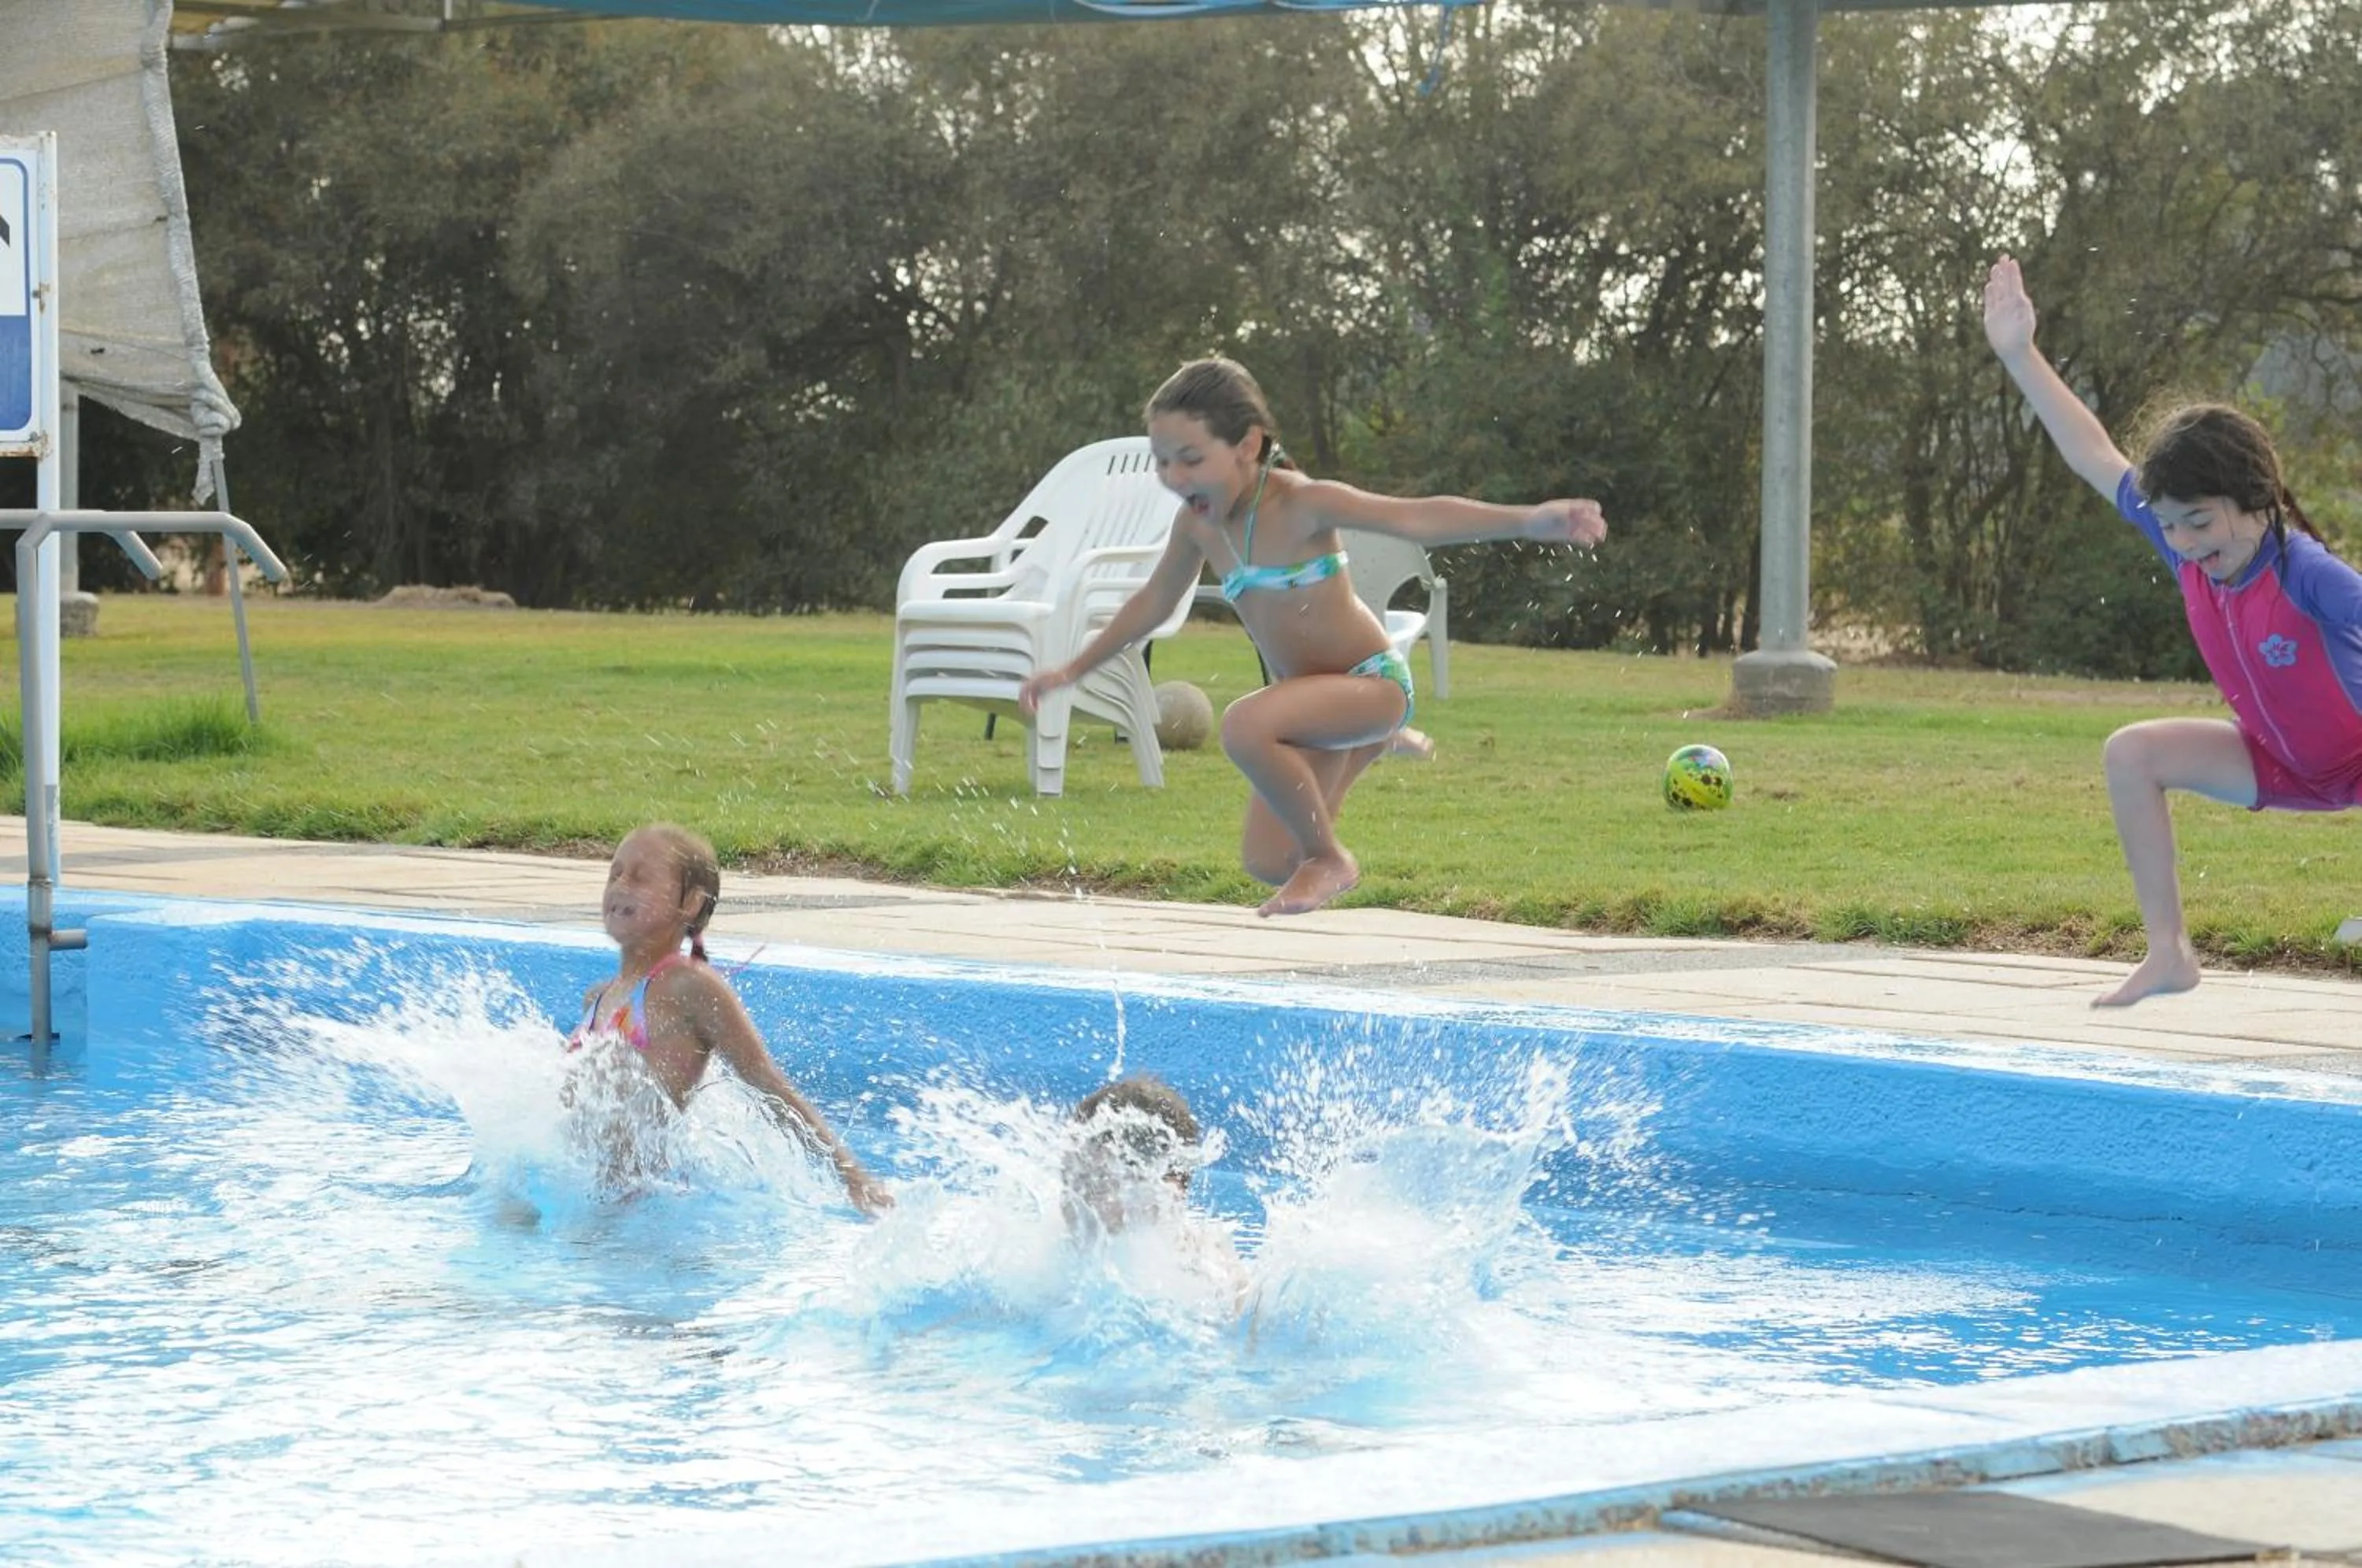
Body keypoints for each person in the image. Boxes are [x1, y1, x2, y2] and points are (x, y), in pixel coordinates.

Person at [1017, 358, 1606, 917]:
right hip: (1313, 705)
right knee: (1269, 860)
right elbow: (1153, 602)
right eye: (1163, 461)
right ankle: (1368, 750)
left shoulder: (1302, 503)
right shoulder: (1198, 526)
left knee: (1246, 725)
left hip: (1370, 683)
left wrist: (1531, 520)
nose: (1175, 478)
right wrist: (1072, 668)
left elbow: (1415, 517)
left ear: (1247, 445)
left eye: (1191, 459)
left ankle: (1332, 855)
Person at [1983, 255, 2362, 1007]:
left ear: (2255, 505)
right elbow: (2093, 453)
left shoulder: (2308, 574)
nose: (2185, 542)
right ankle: (2170, 952)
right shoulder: (2187, 554)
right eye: (2168, 525)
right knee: (2132, 753)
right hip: (2278, 762)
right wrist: (2019, 354)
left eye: (2199, 522)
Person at [565, 822, 892, 1210]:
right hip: (585, 1191)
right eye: (615, 873)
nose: (620, 885)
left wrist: (851, 1176)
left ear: (690, 904)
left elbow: (765, 1080)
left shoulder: (686, 985)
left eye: (641, 878)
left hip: (640, 1208)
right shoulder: (598, 998)